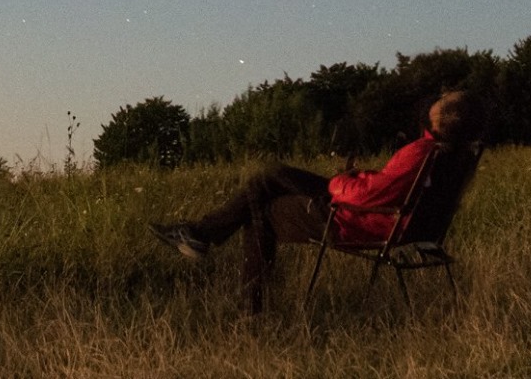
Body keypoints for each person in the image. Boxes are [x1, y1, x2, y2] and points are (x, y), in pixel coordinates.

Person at [149, 89, 481, 313]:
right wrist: (358, 178)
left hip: (355, 219)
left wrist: (342, 180)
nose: (434, 101)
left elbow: (369, 195)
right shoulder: (456, 156)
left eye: (441, 99)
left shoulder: (422, 152)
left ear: (441, 117)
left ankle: (244, 300)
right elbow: (392, 189)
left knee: (262, 197)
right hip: (392, 222)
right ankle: (202, 239)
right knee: (268, 181)